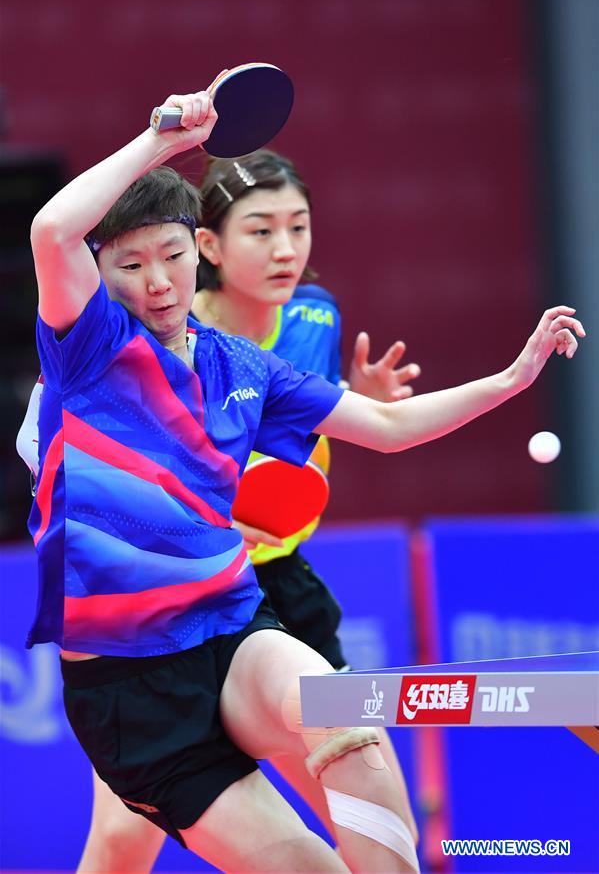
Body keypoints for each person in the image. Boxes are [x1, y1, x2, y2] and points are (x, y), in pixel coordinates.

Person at [27, 86, 584, 874]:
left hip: (230, 624)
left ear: (196, 249)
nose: (157, 282)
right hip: (131, 687)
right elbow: (51, 228)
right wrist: (166, 143)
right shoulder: (90, 350)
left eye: (172, 256)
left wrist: (509, 379)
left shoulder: (241, 366)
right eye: (130, 265)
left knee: (343, 715)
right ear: (101, 272)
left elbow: (384, 427)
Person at [17, 146, 421, 872]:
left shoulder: (309, 320)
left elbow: (312, 434)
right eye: (260, 230)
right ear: (210, 243)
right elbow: (49, 445)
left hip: (264, 593)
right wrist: (172, 513)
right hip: (142, 624)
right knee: (121, 834)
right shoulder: (128, 327)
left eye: (297, 226)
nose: (285, 249)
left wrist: (363, 403)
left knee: (352, 751)